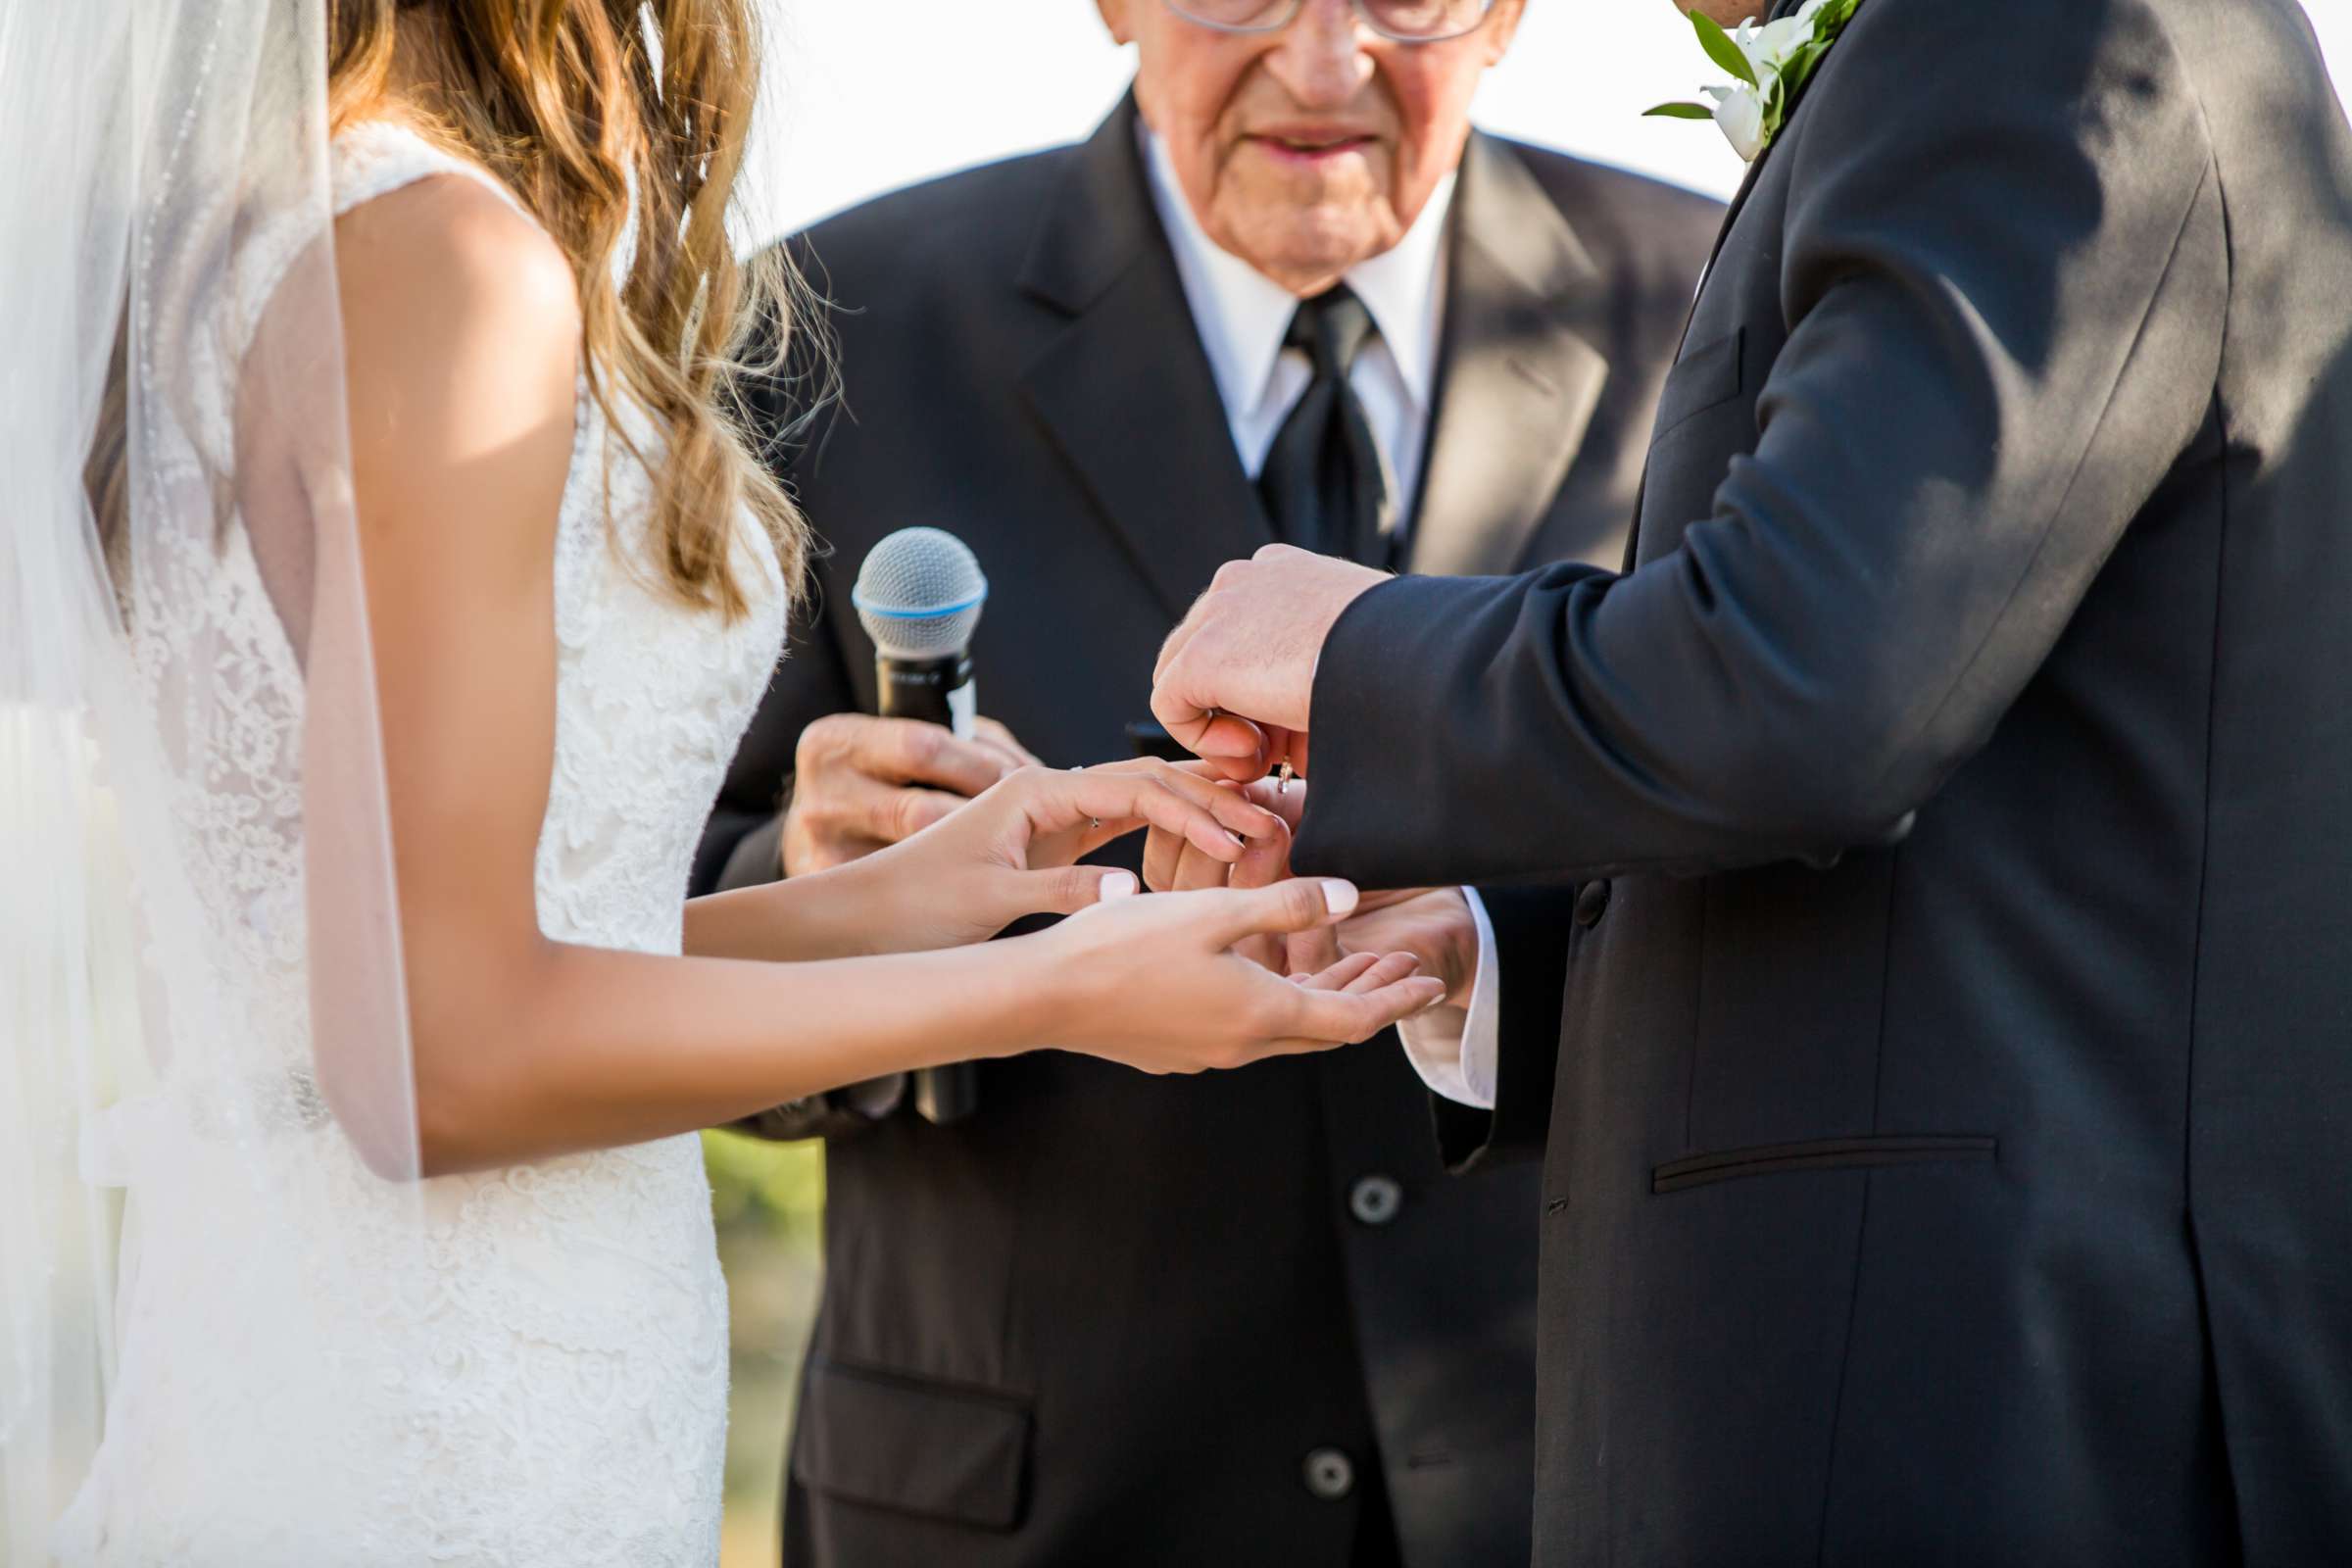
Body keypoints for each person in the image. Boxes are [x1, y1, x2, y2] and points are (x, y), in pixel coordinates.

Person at [1, 2, 1447, 1563]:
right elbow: (434, 1063)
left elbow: (383, 990)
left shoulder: (265, 240)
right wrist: (1052, 993)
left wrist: (887, 906)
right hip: (451, 1418)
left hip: (331, 1353)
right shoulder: (445, 264)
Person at [1147, 0, 2352, 1560]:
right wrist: (1487, 947)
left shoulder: (2041, 29)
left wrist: (1352, 652)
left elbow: (1807, 684)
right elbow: (2010, 807)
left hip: (1985, 1430)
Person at [697, 2, 1718, 1563]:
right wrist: (808, 885)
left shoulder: (1720, 302)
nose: (1322, 66)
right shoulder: (820, 324)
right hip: (1019, 1514)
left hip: (1567, 1493)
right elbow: (599, 942)